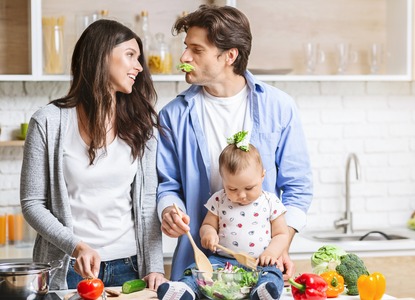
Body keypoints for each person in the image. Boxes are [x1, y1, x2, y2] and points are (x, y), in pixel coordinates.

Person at [157, 4, 313, 282]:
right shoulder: (173, 115)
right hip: (199, 263)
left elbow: (298, 187)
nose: (184, 57)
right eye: (186, 47)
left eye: (197, 49)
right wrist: (169, 209)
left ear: (230, 55)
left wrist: (281, 243)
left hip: (260, 263)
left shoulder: (279, 107)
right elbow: (167, 185)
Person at [20, 19, 166, 290]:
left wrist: (155, 266)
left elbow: (147, 204)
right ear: (101, 55)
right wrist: (77, 247)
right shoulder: (48, 122)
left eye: (139, 58)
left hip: (130, 267)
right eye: (130, 55)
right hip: (70, 268)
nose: (139, 66)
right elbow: (32, 204)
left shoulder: (142, 124)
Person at [157, 131, 289, 300]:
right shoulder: (219, 199)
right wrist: (209, 234)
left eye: (249, 188)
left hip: (258, 263)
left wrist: (271, 252)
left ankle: (262, 292)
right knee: (198, 271)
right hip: (222, 262)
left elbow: (281, 233)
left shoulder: (271, 202)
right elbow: (208, 225)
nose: (241, 195)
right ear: (223, 180)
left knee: (273, 273)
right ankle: (184, 290)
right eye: (232, 189)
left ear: (262, 175)